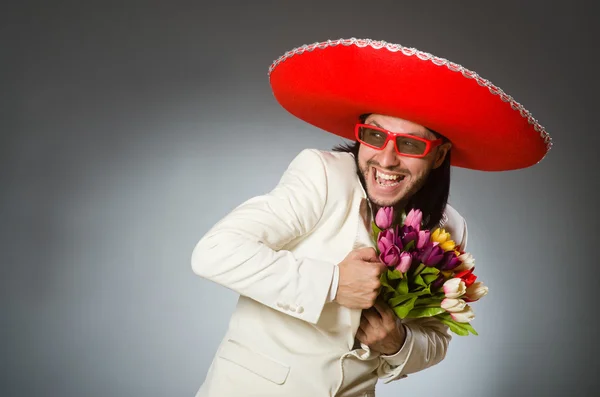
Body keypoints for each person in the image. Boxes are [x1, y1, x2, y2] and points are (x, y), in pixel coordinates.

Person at [190, 38, 551, 397]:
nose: (387, 159)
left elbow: (436, 340)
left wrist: (398, 342)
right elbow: (215, 252)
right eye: (375, 136)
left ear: (439, 155)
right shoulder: (323, 175)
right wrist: (333, 283)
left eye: (410, 144)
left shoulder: (449, 229)